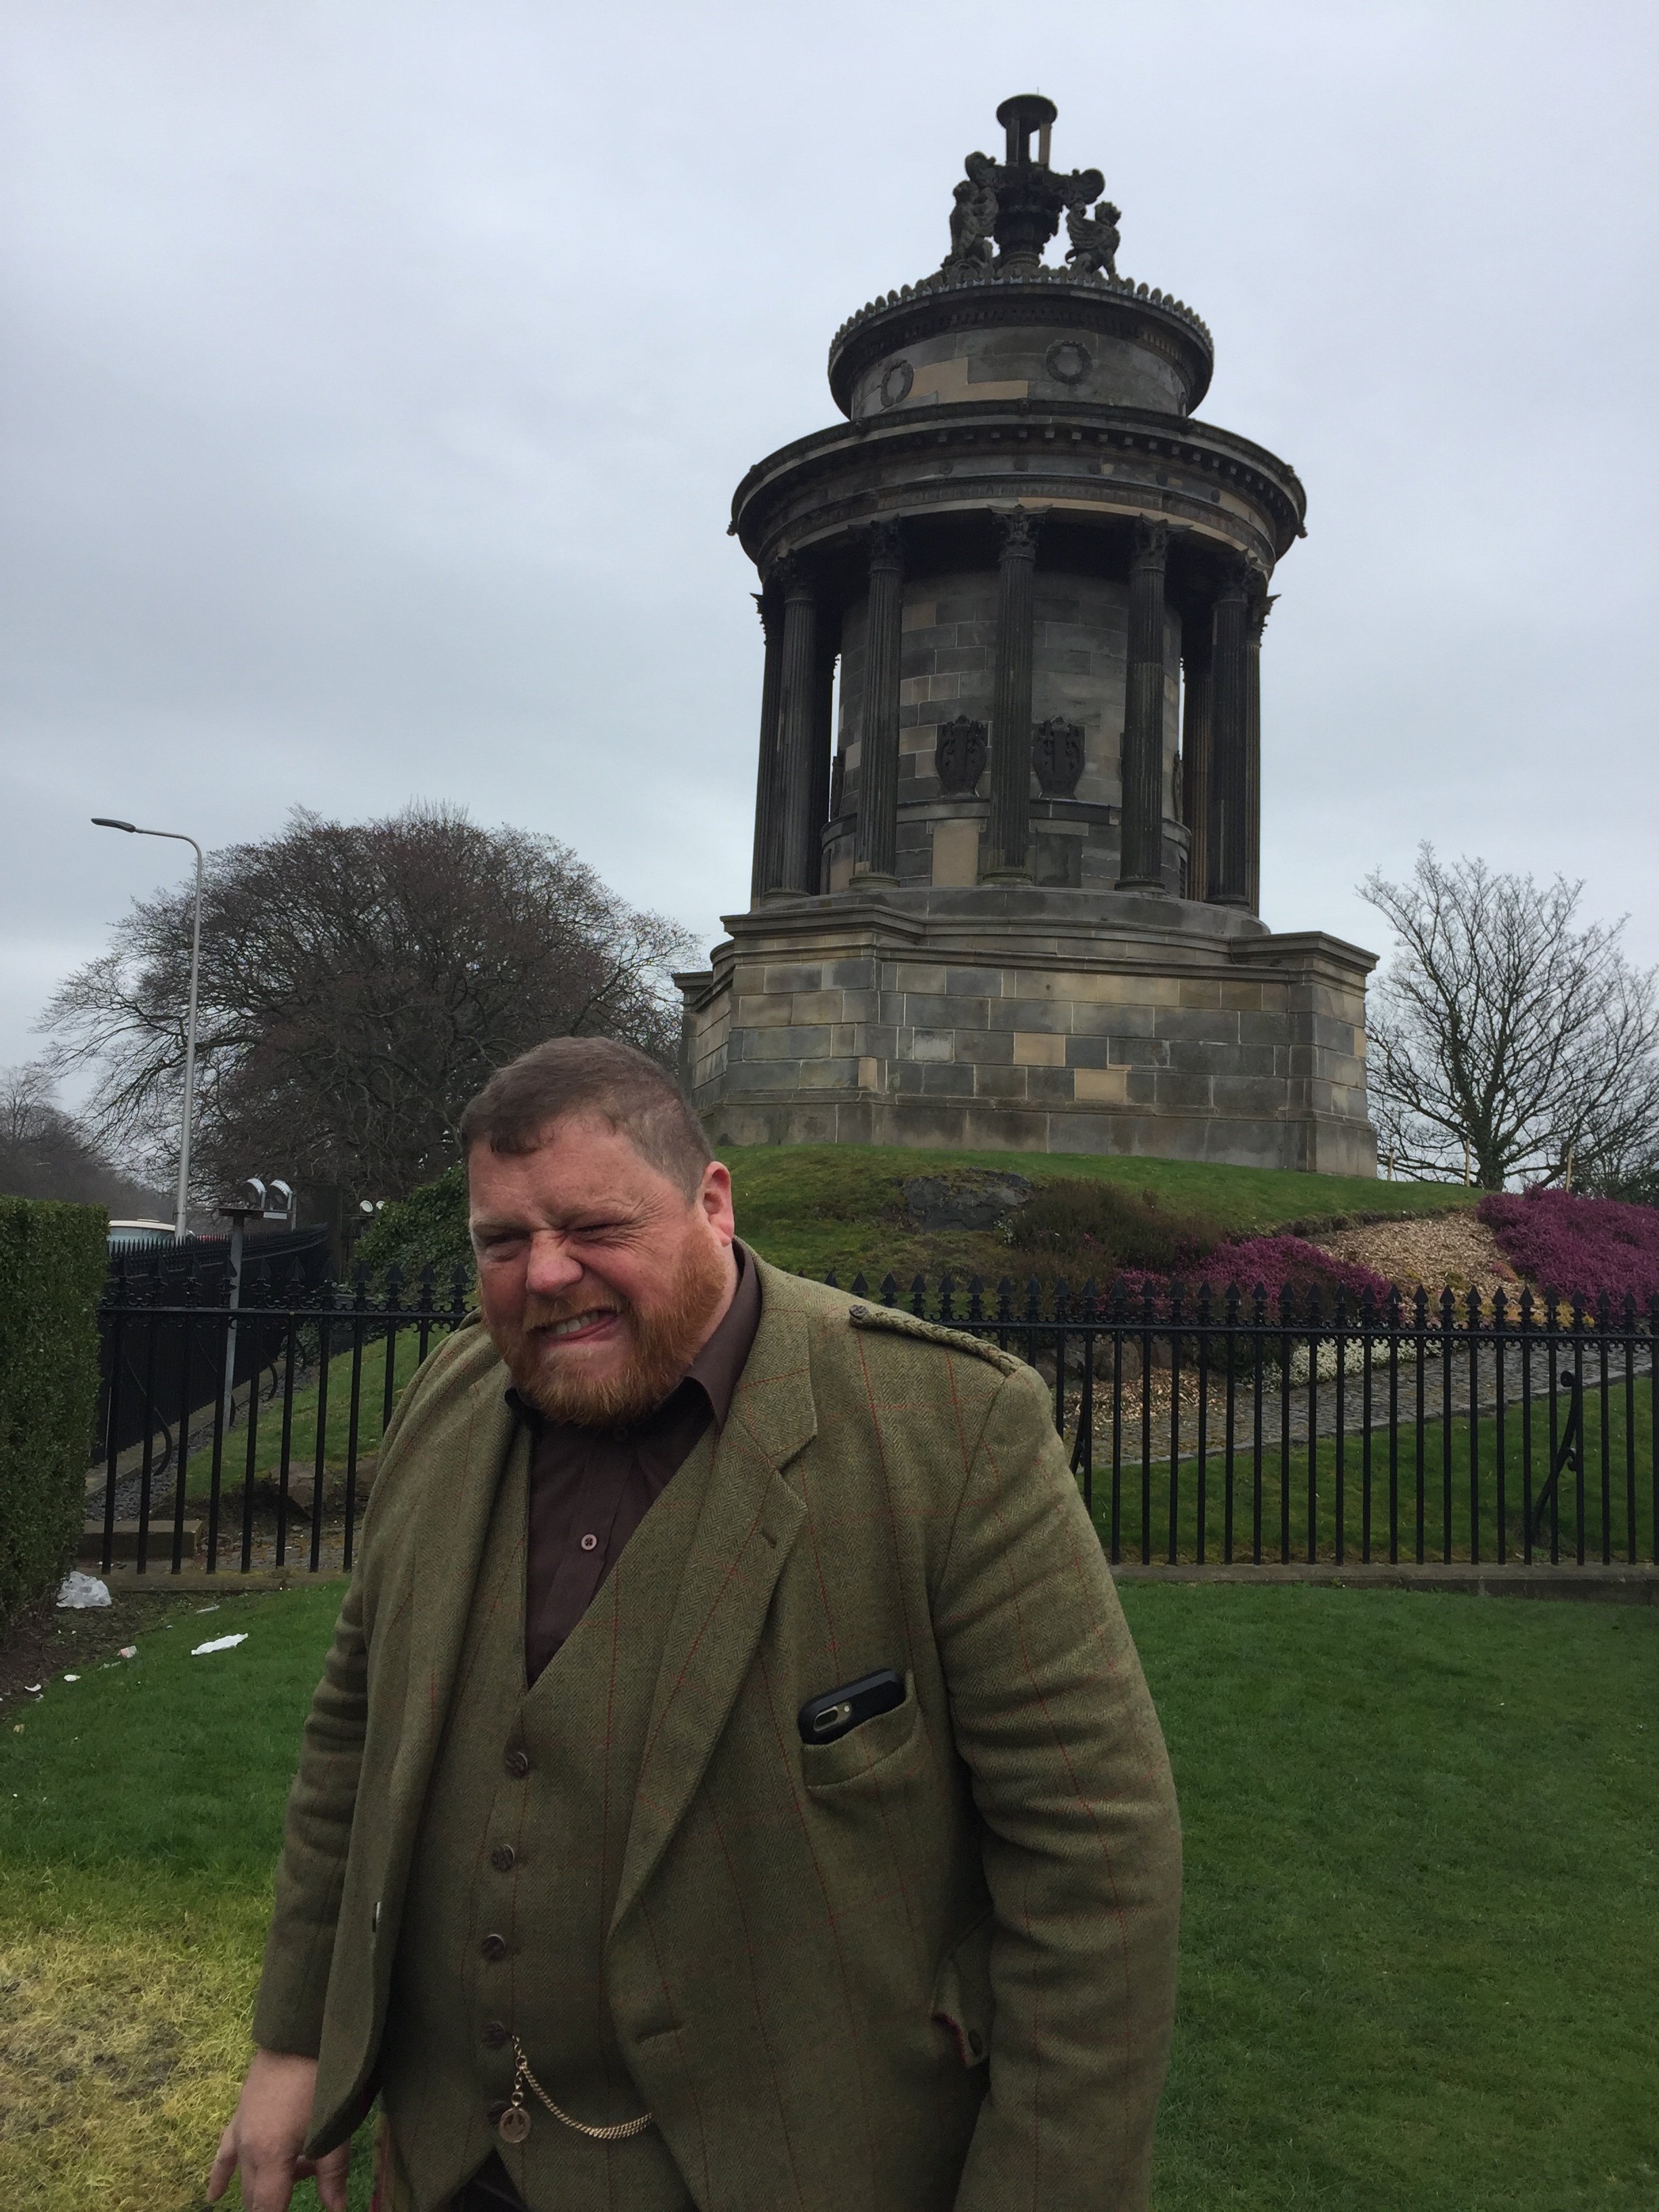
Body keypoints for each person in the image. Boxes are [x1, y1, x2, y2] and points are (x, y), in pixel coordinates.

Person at [209, 1036, 1181, 2212]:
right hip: (458, 2158)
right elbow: (349, 1747)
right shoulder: (445, 1401)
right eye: (503, 1243)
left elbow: (1096, 1867)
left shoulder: (955, 1429)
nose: (547, 1275)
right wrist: (297, 2042)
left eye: (596, 1228)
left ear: (711, 1202)